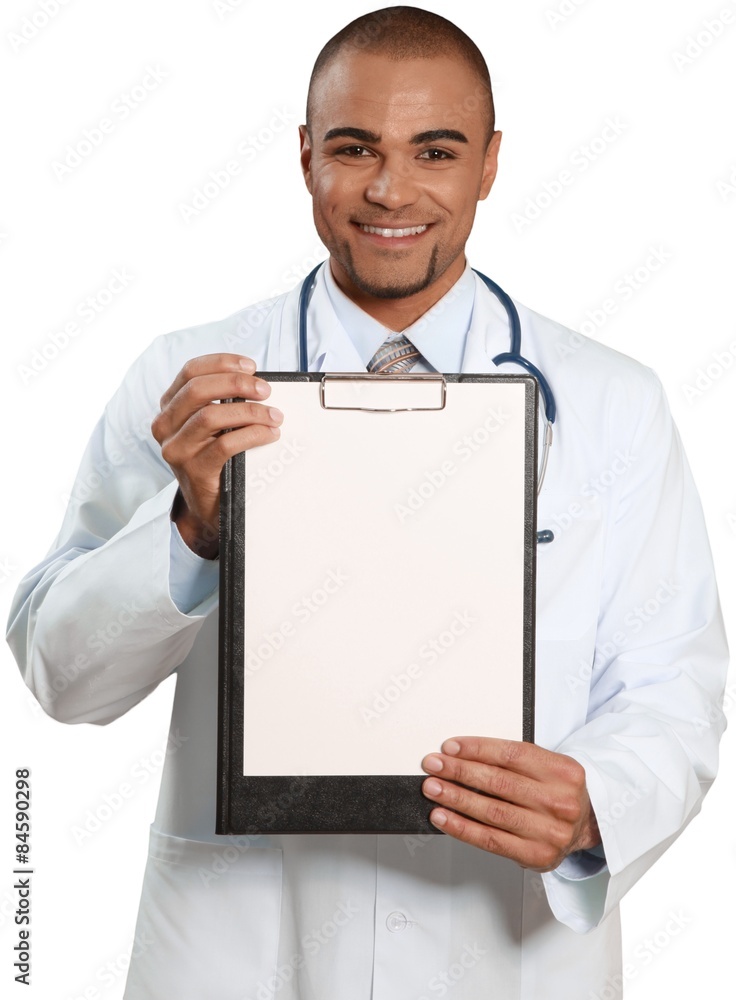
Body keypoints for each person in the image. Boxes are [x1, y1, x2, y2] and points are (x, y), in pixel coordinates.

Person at [7, 6, 728, 999]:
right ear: (305, 156)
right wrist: (193, 529)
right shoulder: (189, 384)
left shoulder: (612, 402)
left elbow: (674, 685)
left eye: (436, 151)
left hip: (505, 953)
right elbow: (62, 677)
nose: (391, 190)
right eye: (355, 149)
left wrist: (596, 802)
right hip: (243, 952)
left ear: (489, 163)